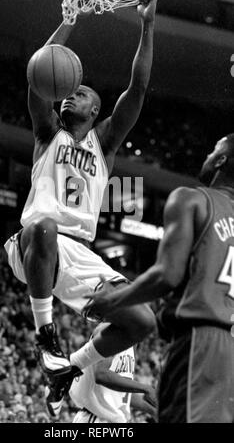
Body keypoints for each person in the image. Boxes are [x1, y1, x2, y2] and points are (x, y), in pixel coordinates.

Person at [4, 0, 157, 408]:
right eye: (69, 91)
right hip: (35, 244)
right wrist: (69, 19)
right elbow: (40, 72)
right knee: (45, 225)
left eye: (82, 93)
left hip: (79, 253)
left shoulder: (103, 143)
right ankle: (46, 338)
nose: (72, 95)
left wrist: (147, 25)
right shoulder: (46, 132)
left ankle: (67, 367)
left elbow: (139, 88)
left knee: (141, 318)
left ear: (96, 109)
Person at [85, 135, 234, 423]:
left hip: (202, 341)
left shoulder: (192, 198)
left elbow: (167, 273)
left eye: (212, 150)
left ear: (221, 160)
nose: (206, 155)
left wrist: (112, 299)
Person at [66, 323, 156, 423]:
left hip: (114, 418)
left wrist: (152, 410)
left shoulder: (132, 342)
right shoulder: (109, 330)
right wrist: (146, 388)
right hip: (96, 417)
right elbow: (101, 374)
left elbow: (120, 394)